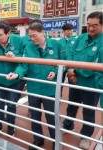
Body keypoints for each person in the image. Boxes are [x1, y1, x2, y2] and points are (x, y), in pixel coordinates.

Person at [6, 19, 62, 150]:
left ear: (43, 33)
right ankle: (38, 139)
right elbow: (23, 65)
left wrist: (54, 71)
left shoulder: (56, 45)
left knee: (51, 116)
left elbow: (62, 63)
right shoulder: (29, 47)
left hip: (49, 88)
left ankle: (55, 141)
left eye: (34, 36)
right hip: (34, 88)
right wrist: (17, 74)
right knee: (35, 116)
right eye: (30, 36)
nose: (31, 39)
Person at [63, 11, 103, 149]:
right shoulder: (81, 38)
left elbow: (96, 67)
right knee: (71, 105)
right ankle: (67, 125)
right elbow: (70, 53)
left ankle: (85, 137)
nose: (91, 28)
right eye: (89, 24)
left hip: (91, 85)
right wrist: (69, 70)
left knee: (88, 112)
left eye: (95, 25)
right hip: (74, 81)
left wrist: (75, 71)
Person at [58, 23, 76, 92]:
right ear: (63, 31)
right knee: (59, 84)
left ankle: (72, 101)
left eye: (71, 30)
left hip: (72, 66)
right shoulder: (59, 42)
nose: (70, 32)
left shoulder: (76, 41)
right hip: (62, 66)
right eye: (68, 30)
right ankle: (58, 99)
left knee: (73, 84)